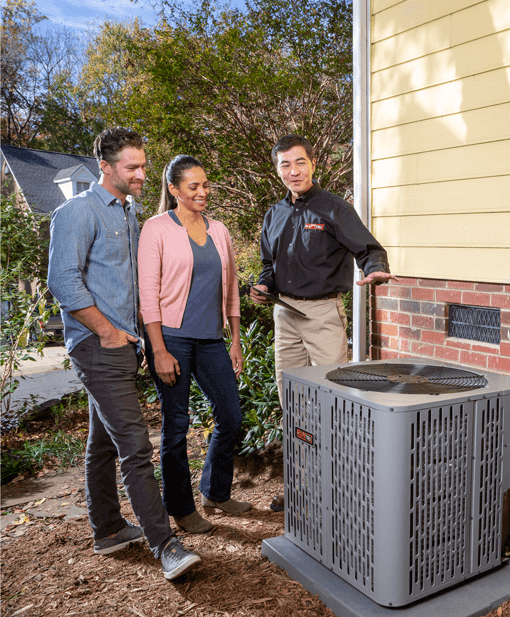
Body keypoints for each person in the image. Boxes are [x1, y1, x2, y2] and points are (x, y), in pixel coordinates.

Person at [47, 128, 201, 580]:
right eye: (132, 167)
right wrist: (109, 332)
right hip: (99, 347)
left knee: (102, 444)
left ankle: (109, 529)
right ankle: (165, 545)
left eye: (143, 166)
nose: (141, 174)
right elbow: (64, 281)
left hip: (123, 344)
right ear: (106, 168)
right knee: (135, 446)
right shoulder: (77, 213)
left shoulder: (128, 213)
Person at [250, 134, 398, 511]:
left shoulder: (334, 208)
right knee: (293, 402)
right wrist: (263, 284)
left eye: (299, 162)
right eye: (285, 164)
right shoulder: (274, 214)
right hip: (284, 314)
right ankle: (302, 484)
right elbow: (269, 265)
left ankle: (342, 485)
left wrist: (375, 269)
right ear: (277, 169)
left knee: (334, 398)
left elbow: (369, 249)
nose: (293, 171)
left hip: (322, 315)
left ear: (313, 164)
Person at [138, 155, 251, 535]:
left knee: (231, 415)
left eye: (205, 185)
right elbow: (148, 295)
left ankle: (215, 492)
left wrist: (235, 340)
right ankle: (182, 509)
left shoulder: (218, 229)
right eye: (193, 187)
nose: (203, 192)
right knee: (176, 426)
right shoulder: (155, 229)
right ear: (173, 190)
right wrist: (158, 349)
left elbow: (231, 286)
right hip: (171, 338)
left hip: (211, 339)